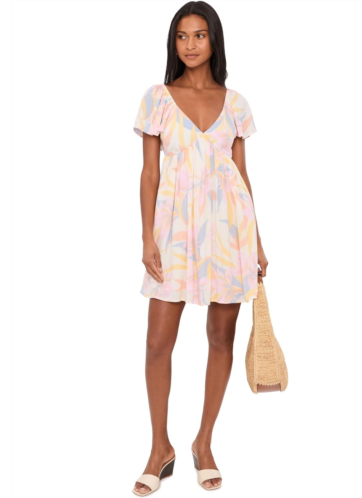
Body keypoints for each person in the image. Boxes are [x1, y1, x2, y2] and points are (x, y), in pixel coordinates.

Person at [132, 1, 268, 495]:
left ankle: (204, 443)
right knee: (157, 342)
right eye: (182, 36)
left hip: (229, 232)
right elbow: (150, 173)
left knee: (220, 337)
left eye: (200, 35)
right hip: (173, 231)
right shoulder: (157, 98)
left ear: (214, 41)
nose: (190, 45)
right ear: (174, 43)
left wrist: (257, 242)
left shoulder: (236, 103)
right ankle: (159, 447)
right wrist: (147, 236)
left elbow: (241, 176)